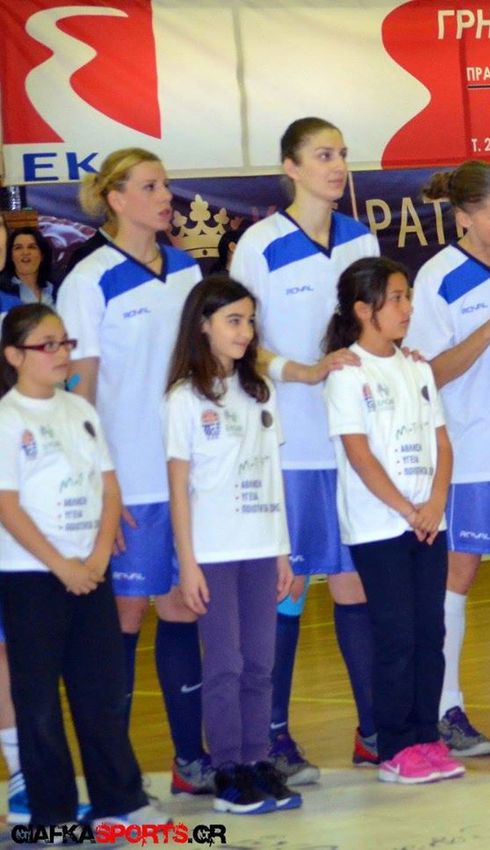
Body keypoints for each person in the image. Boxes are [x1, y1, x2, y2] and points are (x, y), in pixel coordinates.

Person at [230, 117, 380, 783]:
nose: (337, 165)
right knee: (287, 588)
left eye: (342, 154)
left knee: (355, 584)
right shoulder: (259, 244)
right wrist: (303, 371)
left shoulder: (360, 240)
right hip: (290, 445)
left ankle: (375, 730)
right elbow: (238, 341)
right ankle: (272, 737)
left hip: (354, 443)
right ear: (289, 167)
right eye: (323, 155)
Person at [57, 148, 211, 793]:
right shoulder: (89, 280)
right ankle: (113, 774)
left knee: (183, 609)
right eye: (151, 187)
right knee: (122, 618)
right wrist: (99, 488)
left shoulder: (188, 270)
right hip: (129, 481)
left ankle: (190, 761)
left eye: (166, 185)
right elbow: (78, 393)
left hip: (187, 477)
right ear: (116, 199)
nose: (166, 196)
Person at [0, 304, 163, 827]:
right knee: (39, 702)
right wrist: (60, 565)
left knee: (102, 692)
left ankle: (120, 803)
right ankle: (52, 815)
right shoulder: (8, 419)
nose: (61, 353)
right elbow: (7, 505)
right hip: (31, 577)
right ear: (14, 356)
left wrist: (95, 558)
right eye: (47, 345)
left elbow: (109, 488)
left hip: (92, 572)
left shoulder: (80, 410)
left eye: (65, 342)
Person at [409, 161, 490, 753]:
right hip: (471, 452)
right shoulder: (437, 279)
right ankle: (445, 706)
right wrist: (489, 328)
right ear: (462, 218)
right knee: (457, 576)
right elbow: (428, 373)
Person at [321, 257, 462, 783]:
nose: (407, 309)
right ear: (364, 310)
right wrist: (407, 510)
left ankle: (427, 736)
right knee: (396, 636)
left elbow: (442, 443)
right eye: (396, 298)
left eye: (408, 297)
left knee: (430, 632)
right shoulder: (347, 373)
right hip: (380, 527)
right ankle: (395, 746)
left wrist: (435, 503)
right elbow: (359, 456)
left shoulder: (418, 368)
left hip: (428, 522)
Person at [164, 276, 302, 813]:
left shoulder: (261, 392)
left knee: (260, 663)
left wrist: (283, 551)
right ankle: (227, 770)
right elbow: (180, 490)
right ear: (203, 326)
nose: (245, 332)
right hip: (214, 555)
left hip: (261, 549)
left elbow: (273, 477)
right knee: (225, 663)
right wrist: (188, 563)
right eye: (233, 321)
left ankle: (256, 759)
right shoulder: (183, 399)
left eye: (249, 321)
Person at [3, 227, 57, 308]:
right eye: (18, 248)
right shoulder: (2, 289)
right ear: (11, 256)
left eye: (32, 247)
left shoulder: (55, 286)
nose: (25, 252)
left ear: (42, 256)